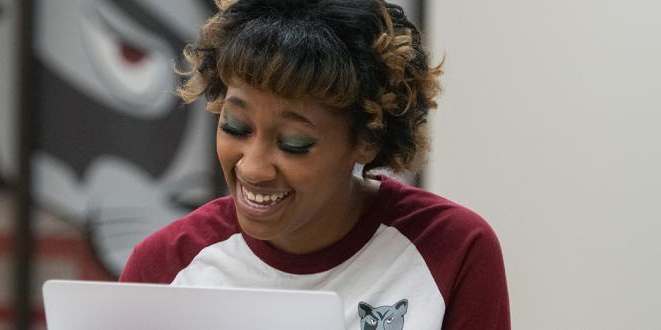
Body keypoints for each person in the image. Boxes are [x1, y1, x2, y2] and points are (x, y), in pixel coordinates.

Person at [119, 0, 510, 329]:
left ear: (368, 139)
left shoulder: (453, 249)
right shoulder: (164, 266)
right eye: (235, 127)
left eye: (293, 144)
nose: (253, 169)